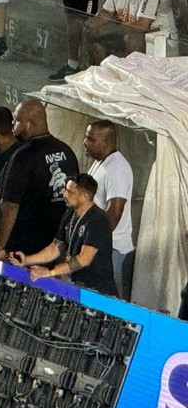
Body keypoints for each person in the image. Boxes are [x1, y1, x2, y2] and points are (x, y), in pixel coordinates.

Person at [0, 99, 79, 259]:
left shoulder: (24, 156)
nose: (12, 124)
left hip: (24, 250)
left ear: (29, 124)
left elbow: (10, 207)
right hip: (56, 250)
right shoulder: (67, 152)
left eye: (17, 120)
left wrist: (0, 246)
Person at [8, 174, 116, 295]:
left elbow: (84, 259)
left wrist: (51, 272)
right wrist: (26, 260)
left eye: (70, 192)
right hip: (75, 284)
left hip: (96, 290)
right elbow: (56, 247)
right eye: (65, 189)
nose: (64, 194)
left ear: (85, 196)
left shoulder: (98, 220)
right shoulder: (70, 212)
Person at [83, 120, 135, 298]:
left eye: (90, 139)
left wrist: (96, 242)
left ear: (105, 143)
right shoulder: (102, 162)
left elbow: (115, 210)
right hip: (102, 247)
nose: (85, 142)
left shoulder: (117, 167)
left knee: (111, 301)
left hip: (112, 250)